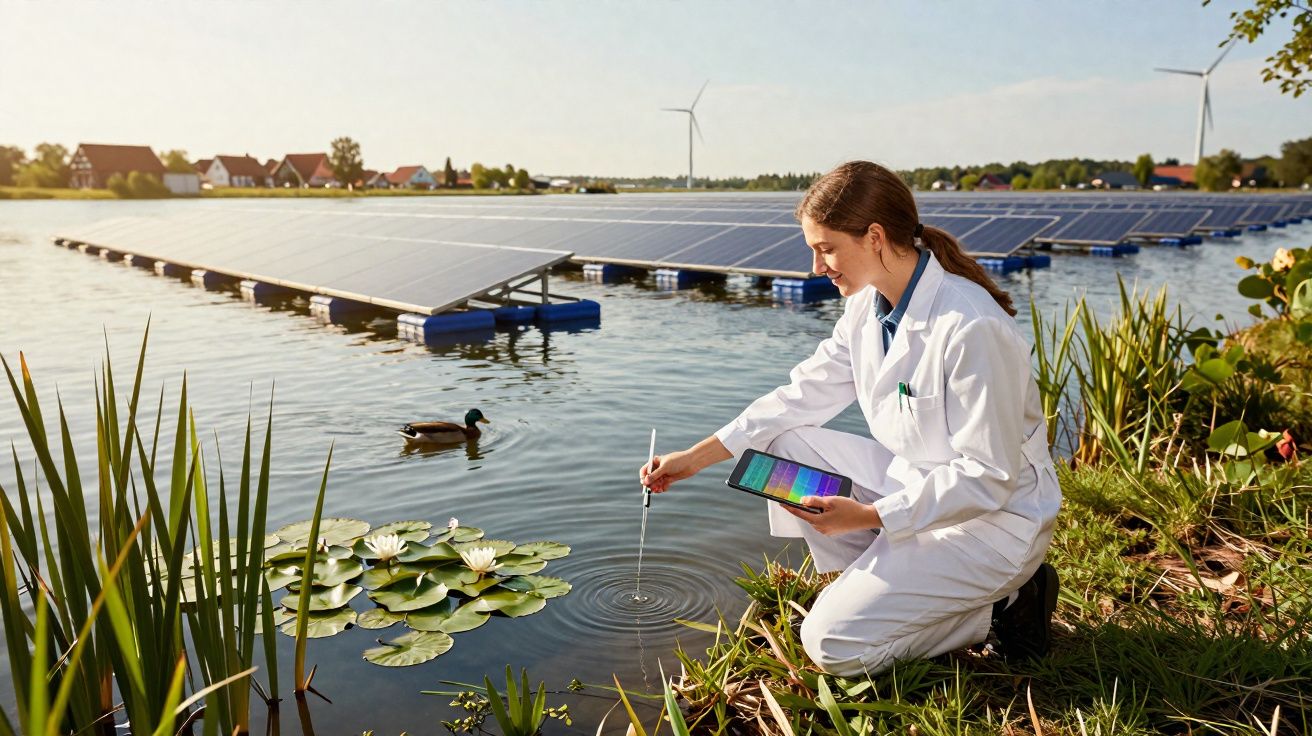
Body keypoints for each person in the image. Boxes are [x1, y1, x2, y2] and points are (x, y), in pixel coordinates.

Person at [639, 161, 1062, 677]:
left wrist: (866, 516)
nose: (818, 266)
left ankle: (1001, 606)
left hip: (989, 525)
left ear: (875, 237)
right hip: (915, 485)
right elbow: (798, 396)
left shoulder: (970, 327)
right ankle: (874, 576)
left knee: (831, 646)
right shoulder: (866, 307)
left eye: (826, 248)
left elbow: (988, 478)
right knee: (777, 449)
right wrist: (693, 459)